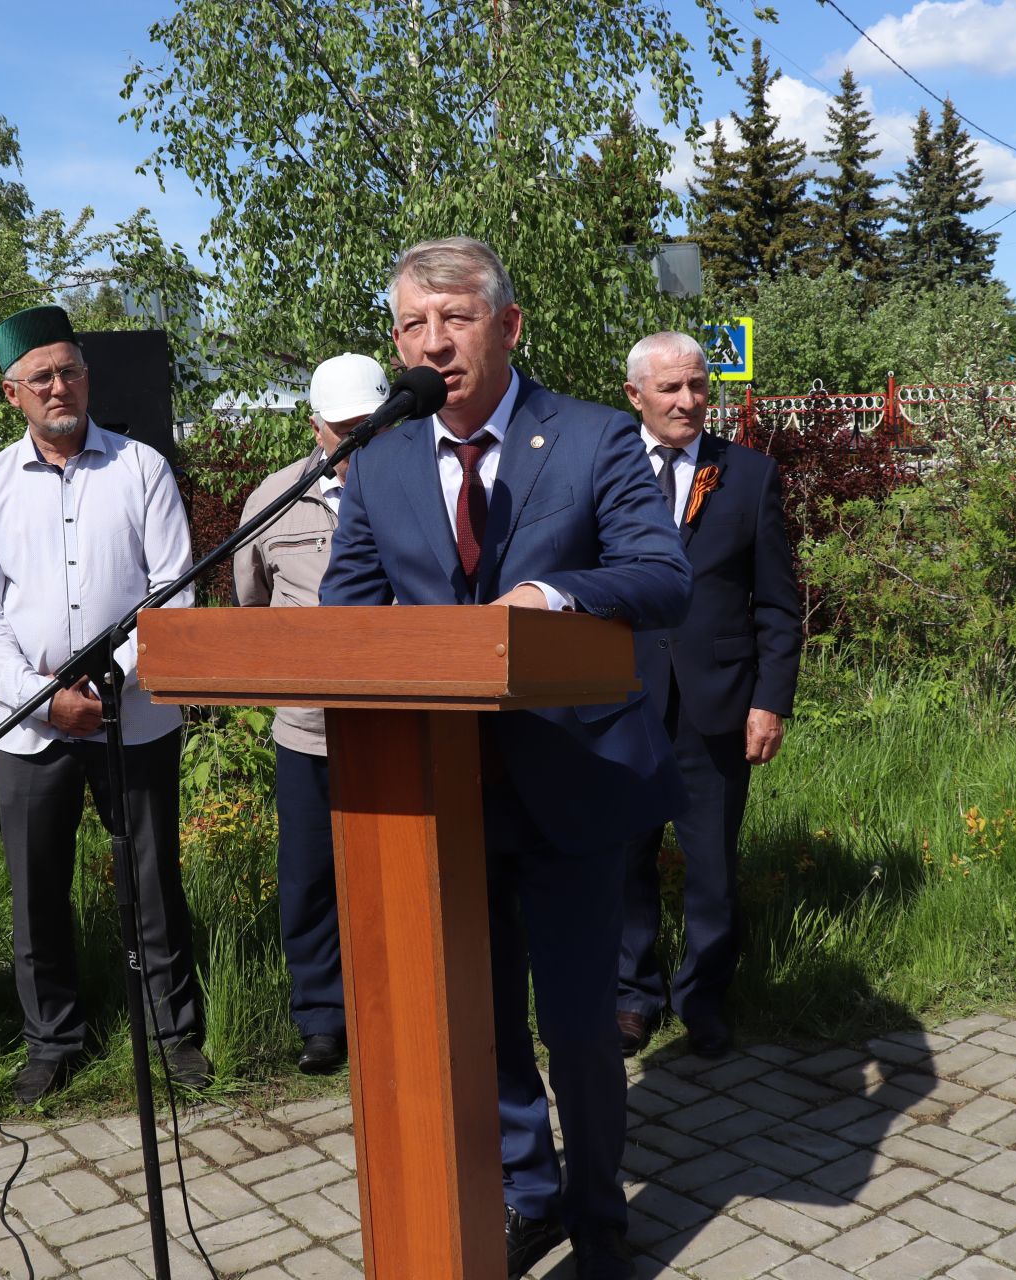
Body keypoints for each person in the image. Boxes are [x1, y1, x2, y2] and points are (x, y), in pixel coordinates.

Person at [318, 238, 691, 1280]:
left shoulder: (594, 437)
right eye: (410, 324)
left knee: (578, 1027)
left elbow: (662, 577)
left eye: (453, 319)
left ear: (508, 326)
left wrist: (556, 596)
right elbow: (349, 614)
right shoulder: (382, 460)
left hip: (575, 780)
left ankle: (600, 1217)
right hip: (439, 792)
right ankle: (529, 1194)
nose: (431, 342)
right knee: (481, 1028)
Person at [0, 304, 209, 1101]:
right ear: (12, 395)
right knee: (35, 890)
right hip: (31, 732)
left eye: (69, 371)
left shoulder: (141, 469)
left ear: (86, 377)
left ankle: (173, 1037)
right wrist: (43, 703)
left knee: (151, 881)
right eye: (42, 378)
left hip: (131, 717)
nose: (59, 387)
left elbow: (175, 592)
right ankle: (52, 1042)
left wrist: (109, 687)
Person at [613, 332, 802, 1060]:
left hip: (717, 703)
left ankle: (704, 999)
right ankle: (633, 996)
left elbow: (778, 603)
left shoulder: (747, 475)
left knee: (713, 864)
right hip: (619, 700)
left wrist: (770, 700)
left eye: (698, 386)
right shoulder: (604, 470)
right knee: (624, 857)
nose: (689, 400)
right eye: (671, 389)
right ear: (636, 395)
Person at [232, 352, 390, 1076]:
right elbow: (252, 610)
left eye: (372, 426)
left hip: (402, 727)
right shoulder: (273, 498)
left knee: (400, 874)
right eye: (345, 430)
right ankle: (322, 1018)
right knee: (308, 878)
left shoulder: (424, 490)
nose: (358, 443)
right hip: (307, 730)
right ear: (314, 425)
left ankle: (399, 1005)